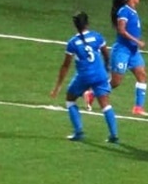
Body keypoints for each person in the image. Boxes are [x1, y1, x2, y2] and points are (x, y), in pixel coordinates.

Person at [49, 12, 119, 143]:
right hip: (100, 74)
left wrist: (57, 86)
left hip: (84, 76)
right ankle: (114, 135)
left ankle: (78, 132)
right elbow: (106, 54)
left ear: (75, 26)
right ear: (87, 23)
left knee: (70, 99)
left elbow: (65, 66)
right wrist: (107, 70)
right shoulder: (97, 37)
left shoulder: (73, 42)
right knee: (105, 104)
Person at [109, 0, 148, 116]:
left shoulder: (132, 10)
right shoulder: (124, 11)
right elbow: (121, 30)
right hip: (122, 50)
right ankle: (92, 93)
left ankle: (138, 108)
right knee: (116, 82)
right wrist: (137, 41)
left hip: (132, 51)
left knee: (142, 75)